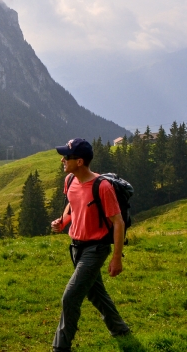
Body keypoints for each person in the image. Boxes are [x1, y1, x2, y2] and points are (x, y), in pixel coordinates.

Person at [50, 138, 130, 352]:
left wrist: (116, 258)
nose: (62, 160)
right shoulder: (69, 180)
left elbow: (118, 222)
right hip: (76, 247)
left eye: (67, 157)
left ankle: (60, 347)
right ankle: (120, 329)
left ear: (80, 161)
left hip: (96, 248)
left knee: (70, 297)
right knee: (96, 292)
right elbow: (72, 206)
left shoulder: (102, 187)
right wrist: (62, 221)